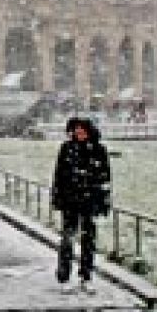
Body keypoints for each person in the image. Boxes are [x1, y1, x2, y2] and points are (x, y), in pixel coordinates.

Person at [51, 116, 111, 291]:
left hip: (89, 201)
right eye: (75, 131)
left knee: (88, 240)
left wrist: (103, 201)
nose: (78, 133)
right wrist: (58, 197)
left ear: (88, 131)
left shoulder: (99, 150)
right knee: (67, 239)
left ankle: (85, 276)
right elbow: (59, 175)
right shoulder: (67, 148)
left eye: (81, 130)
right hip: (70, 201)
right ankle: (64, 276)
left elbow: (105, 177)